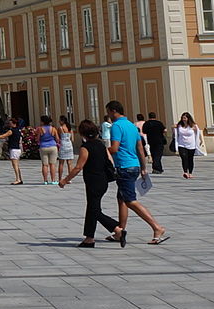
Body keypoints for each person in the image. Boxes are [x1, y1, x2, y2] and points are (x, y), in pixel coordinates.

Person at [106, 101, 170, 244]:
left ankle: (157, 227)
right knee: (121, 199)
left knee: (130, 201)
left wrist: (102, 151)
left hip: (123, 166)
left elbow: (114, 148)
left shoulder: (116, 126)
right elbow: (140, 147)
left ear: (114, 111)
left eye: (109, 112)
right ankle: (120, 232)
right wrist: (143, 167)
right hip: (134, 165)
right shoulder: (131, 125)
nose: (108, 115)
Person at [59, 119, 124, 247]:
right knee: (92, 208)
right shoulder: (101, 145)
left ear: (83, 134)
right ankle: (89, 238)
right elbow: (110, 161)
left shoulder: (85, 148)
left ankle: (118, 229)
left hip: (94, 182)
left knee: (94, 210)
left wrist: (65, 180)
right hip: (103, 181)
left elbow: (78, 167)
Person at [172, 113, 200, 178]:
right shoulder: (179, 125)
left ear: (188, 118)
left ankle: (190, 173)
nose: (183, 119)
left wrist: (199, 140)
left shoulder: (193, 125)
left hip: (191, 145)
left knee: (190, 159)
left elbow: (198, 133)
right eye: (183, 118)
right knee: (184, 158)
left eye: (185, 118)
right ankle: (185, 172)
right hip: (181, 144)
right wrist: (173, 128)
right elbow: (175, 134)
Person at [35, 116, 60, 183]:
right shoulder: (53, 129)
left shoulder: (40, 129)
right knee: (52, 164)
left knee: (45, 164)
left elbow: (37, 139)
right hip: (52, 146)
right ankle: (53, 180)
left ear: (42, 122)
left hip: (43, 147)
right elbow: (57, 138)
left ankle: (45, 180)